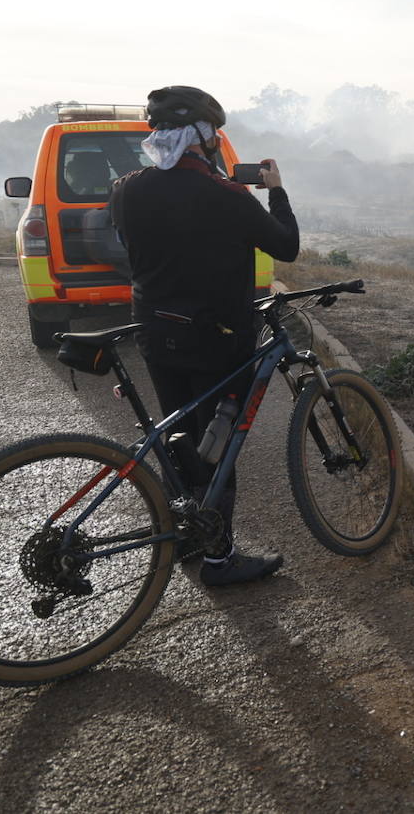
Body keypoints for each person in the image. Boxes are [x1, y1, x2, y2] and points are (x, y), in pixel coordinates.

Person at [109, 86, 300, 586]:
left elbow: (128, 244)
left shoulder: (126, 188)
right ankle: (219, 559)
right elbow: (287, 245)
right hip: (215, 337)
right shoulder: (227, 196)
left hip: (154, 332)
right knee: (217, 445)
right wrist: (275, 189)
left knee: (178, 438)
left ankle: (189, 536)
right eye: (215, 133)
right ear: (205, 138)